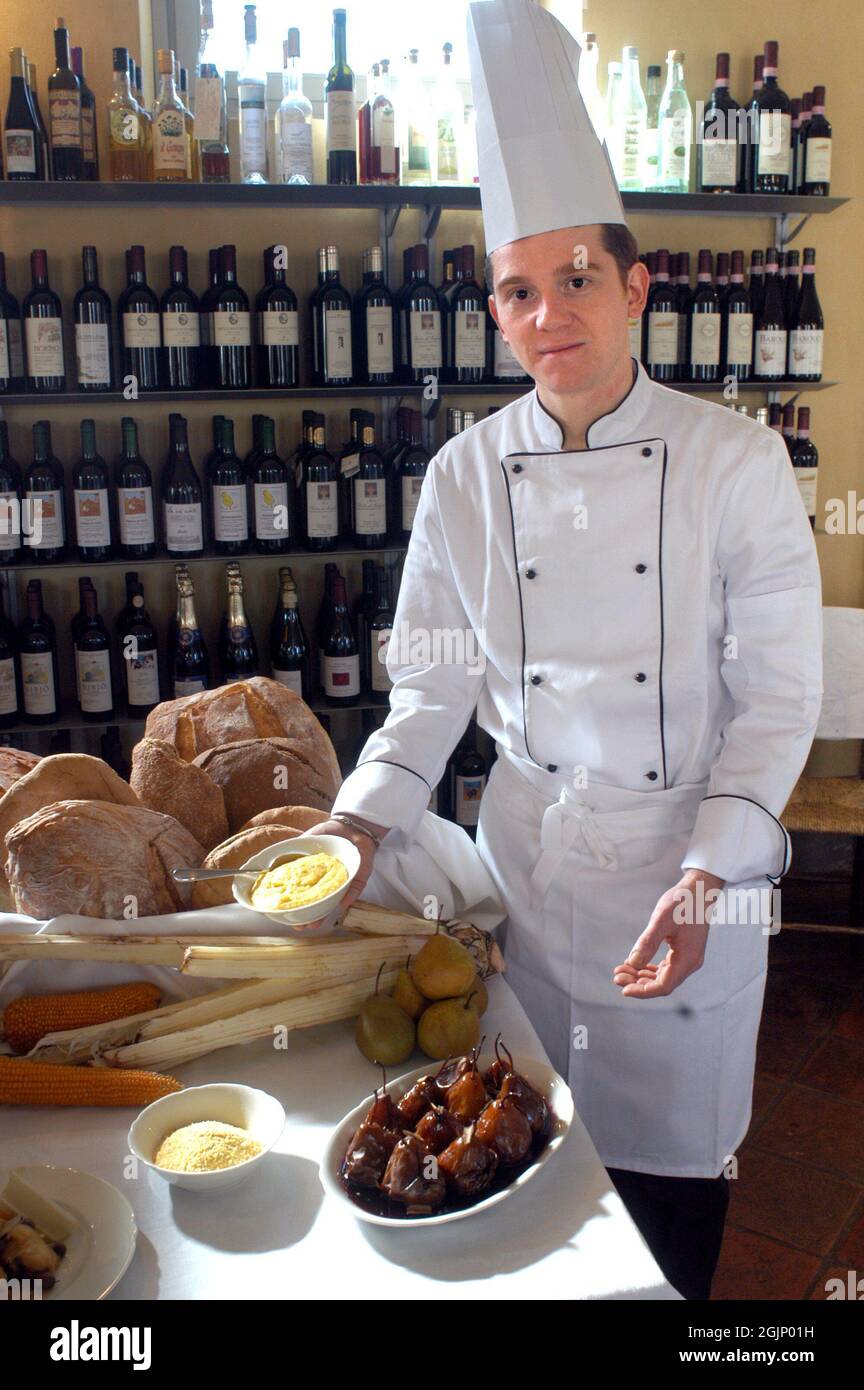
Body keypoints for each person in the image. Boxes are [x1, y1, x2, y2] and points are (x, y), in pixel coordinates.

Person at [303, 0, 823, 1299]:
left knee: (669, 1197)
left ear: (635, 283)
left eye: (578, 278)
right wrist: (360, 823)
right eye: (519, 291)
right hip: (528, 885)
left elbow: (778, 700)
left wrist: (712, 877)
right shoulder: (466, 477)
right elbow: (426, 685)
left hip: (685, 881)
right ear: (496, 311)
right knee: (520, 1180)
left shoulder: (737, 463)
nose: (550, 315)